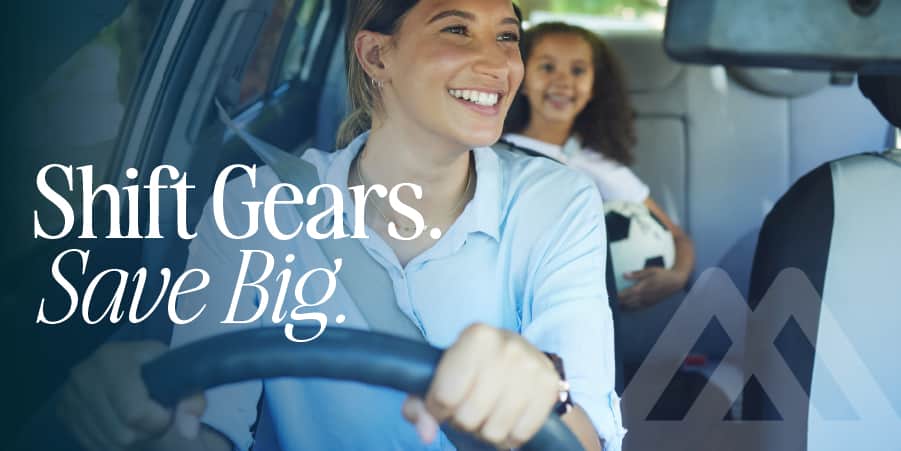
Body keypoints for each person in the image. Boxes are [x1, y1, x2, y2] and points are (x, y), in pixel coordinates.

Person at [55, 2, 624, 451]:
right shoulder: (254, 209)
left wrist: (543, 398)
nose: (500, 64)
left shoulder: (558, 200)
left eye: (507, 35)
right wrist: (141, 423)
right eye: (456, 30)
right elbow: (206, 430)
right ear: (377, 57)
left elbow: (586, 438)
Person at [500, 22, 695, 310]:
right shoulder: (491, 150)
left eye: (577, 71)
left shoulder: (597, 166)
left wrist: (676, 277)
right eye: (547, 67)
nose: (562, 81)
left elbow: (677, 236)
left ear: (594, 88)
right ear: (522, 78)